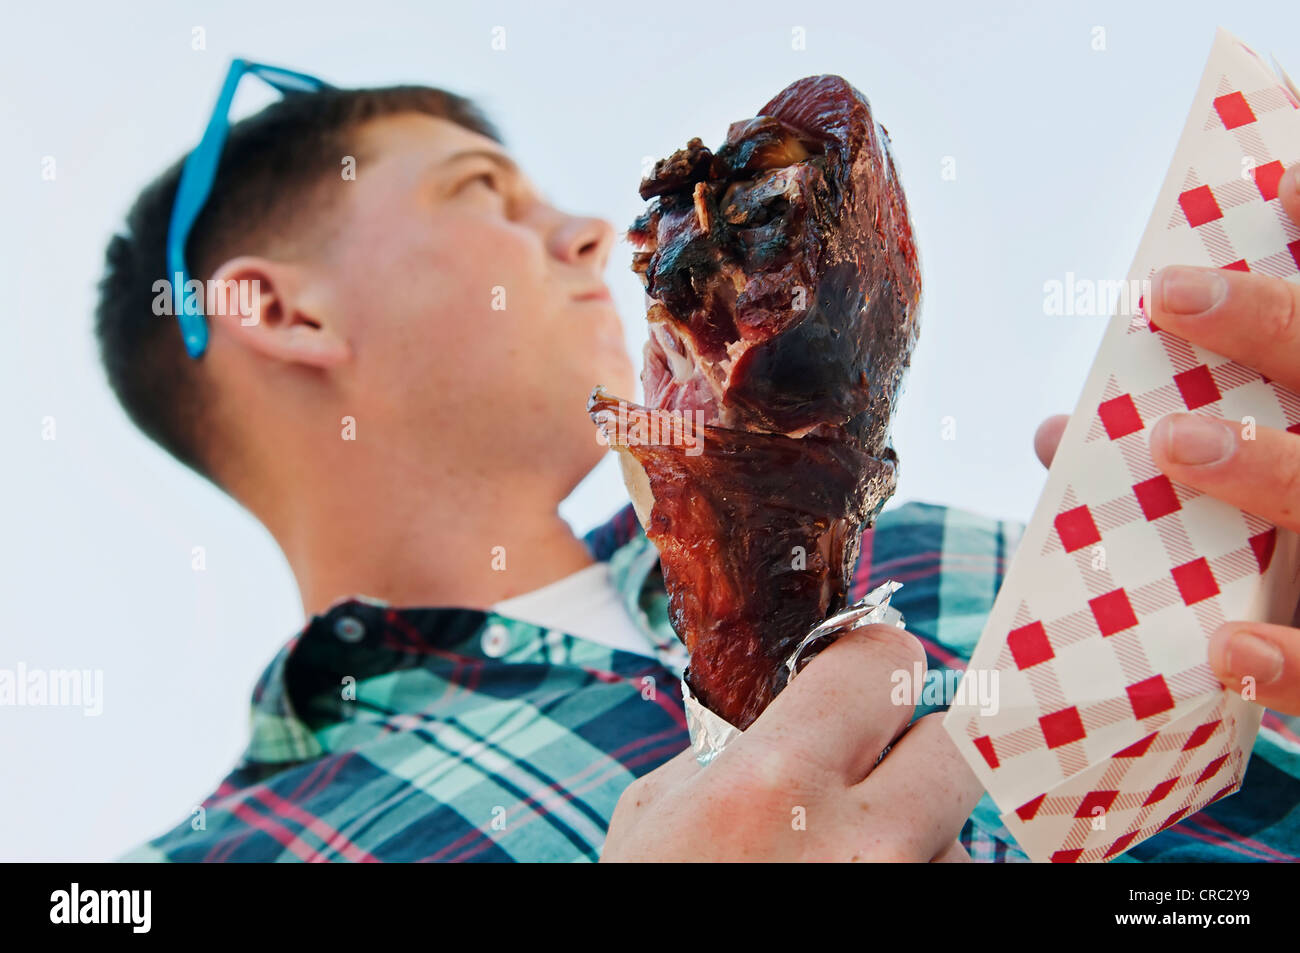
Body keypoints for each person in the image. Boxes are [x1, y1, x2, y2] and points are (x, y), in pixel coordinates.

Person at [101, 66, 1300, 862]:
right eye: (482, 193)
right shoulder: (239, 852)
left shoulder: (953, 552)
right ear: (275, 311)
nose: (581, 228)